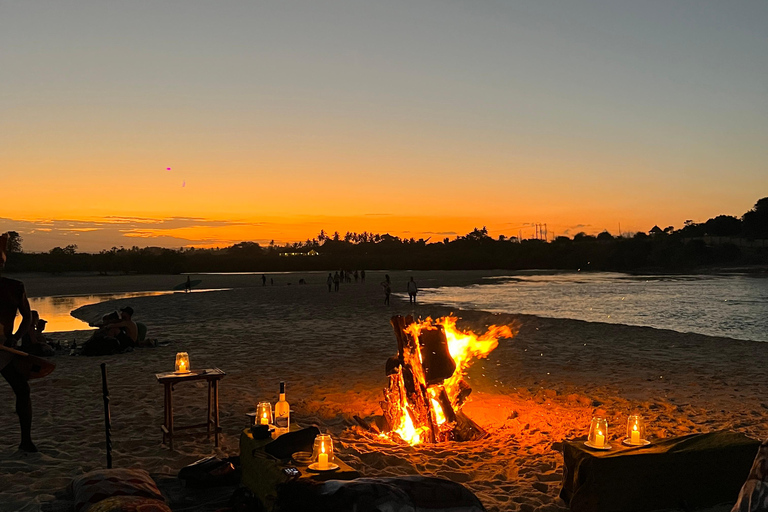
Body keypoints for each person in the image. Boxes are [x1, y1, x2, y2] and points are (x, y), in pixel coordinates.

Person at [0, 232, 37, 452]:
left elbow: (27, 316)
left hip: (6, 348)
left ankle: (26, 441)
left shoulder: (15, 287)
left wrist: (15, 338)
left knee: (22, 390)